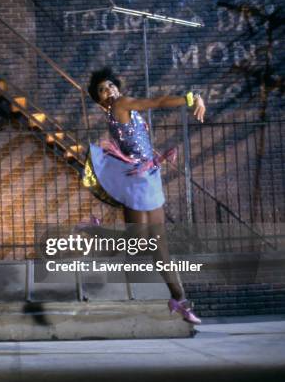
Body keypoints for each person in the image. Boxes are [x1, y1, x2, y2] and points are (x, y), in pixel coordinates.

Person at [84, 68, 206, 324]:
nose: (108, 92)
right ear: (99, 100)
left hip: (149, 177)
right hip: (137, 181)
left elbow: (138, 143)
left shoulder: (122, 107)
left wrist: (157, 157)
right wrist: (190, 97)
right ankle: (96, 233)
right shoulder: (120, 105)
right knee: (140, 242)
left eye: (109, 86)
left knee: (159, 248)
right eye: (102, 91)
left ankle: (179, 299)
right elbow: (157, 102)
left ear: (117, 87)